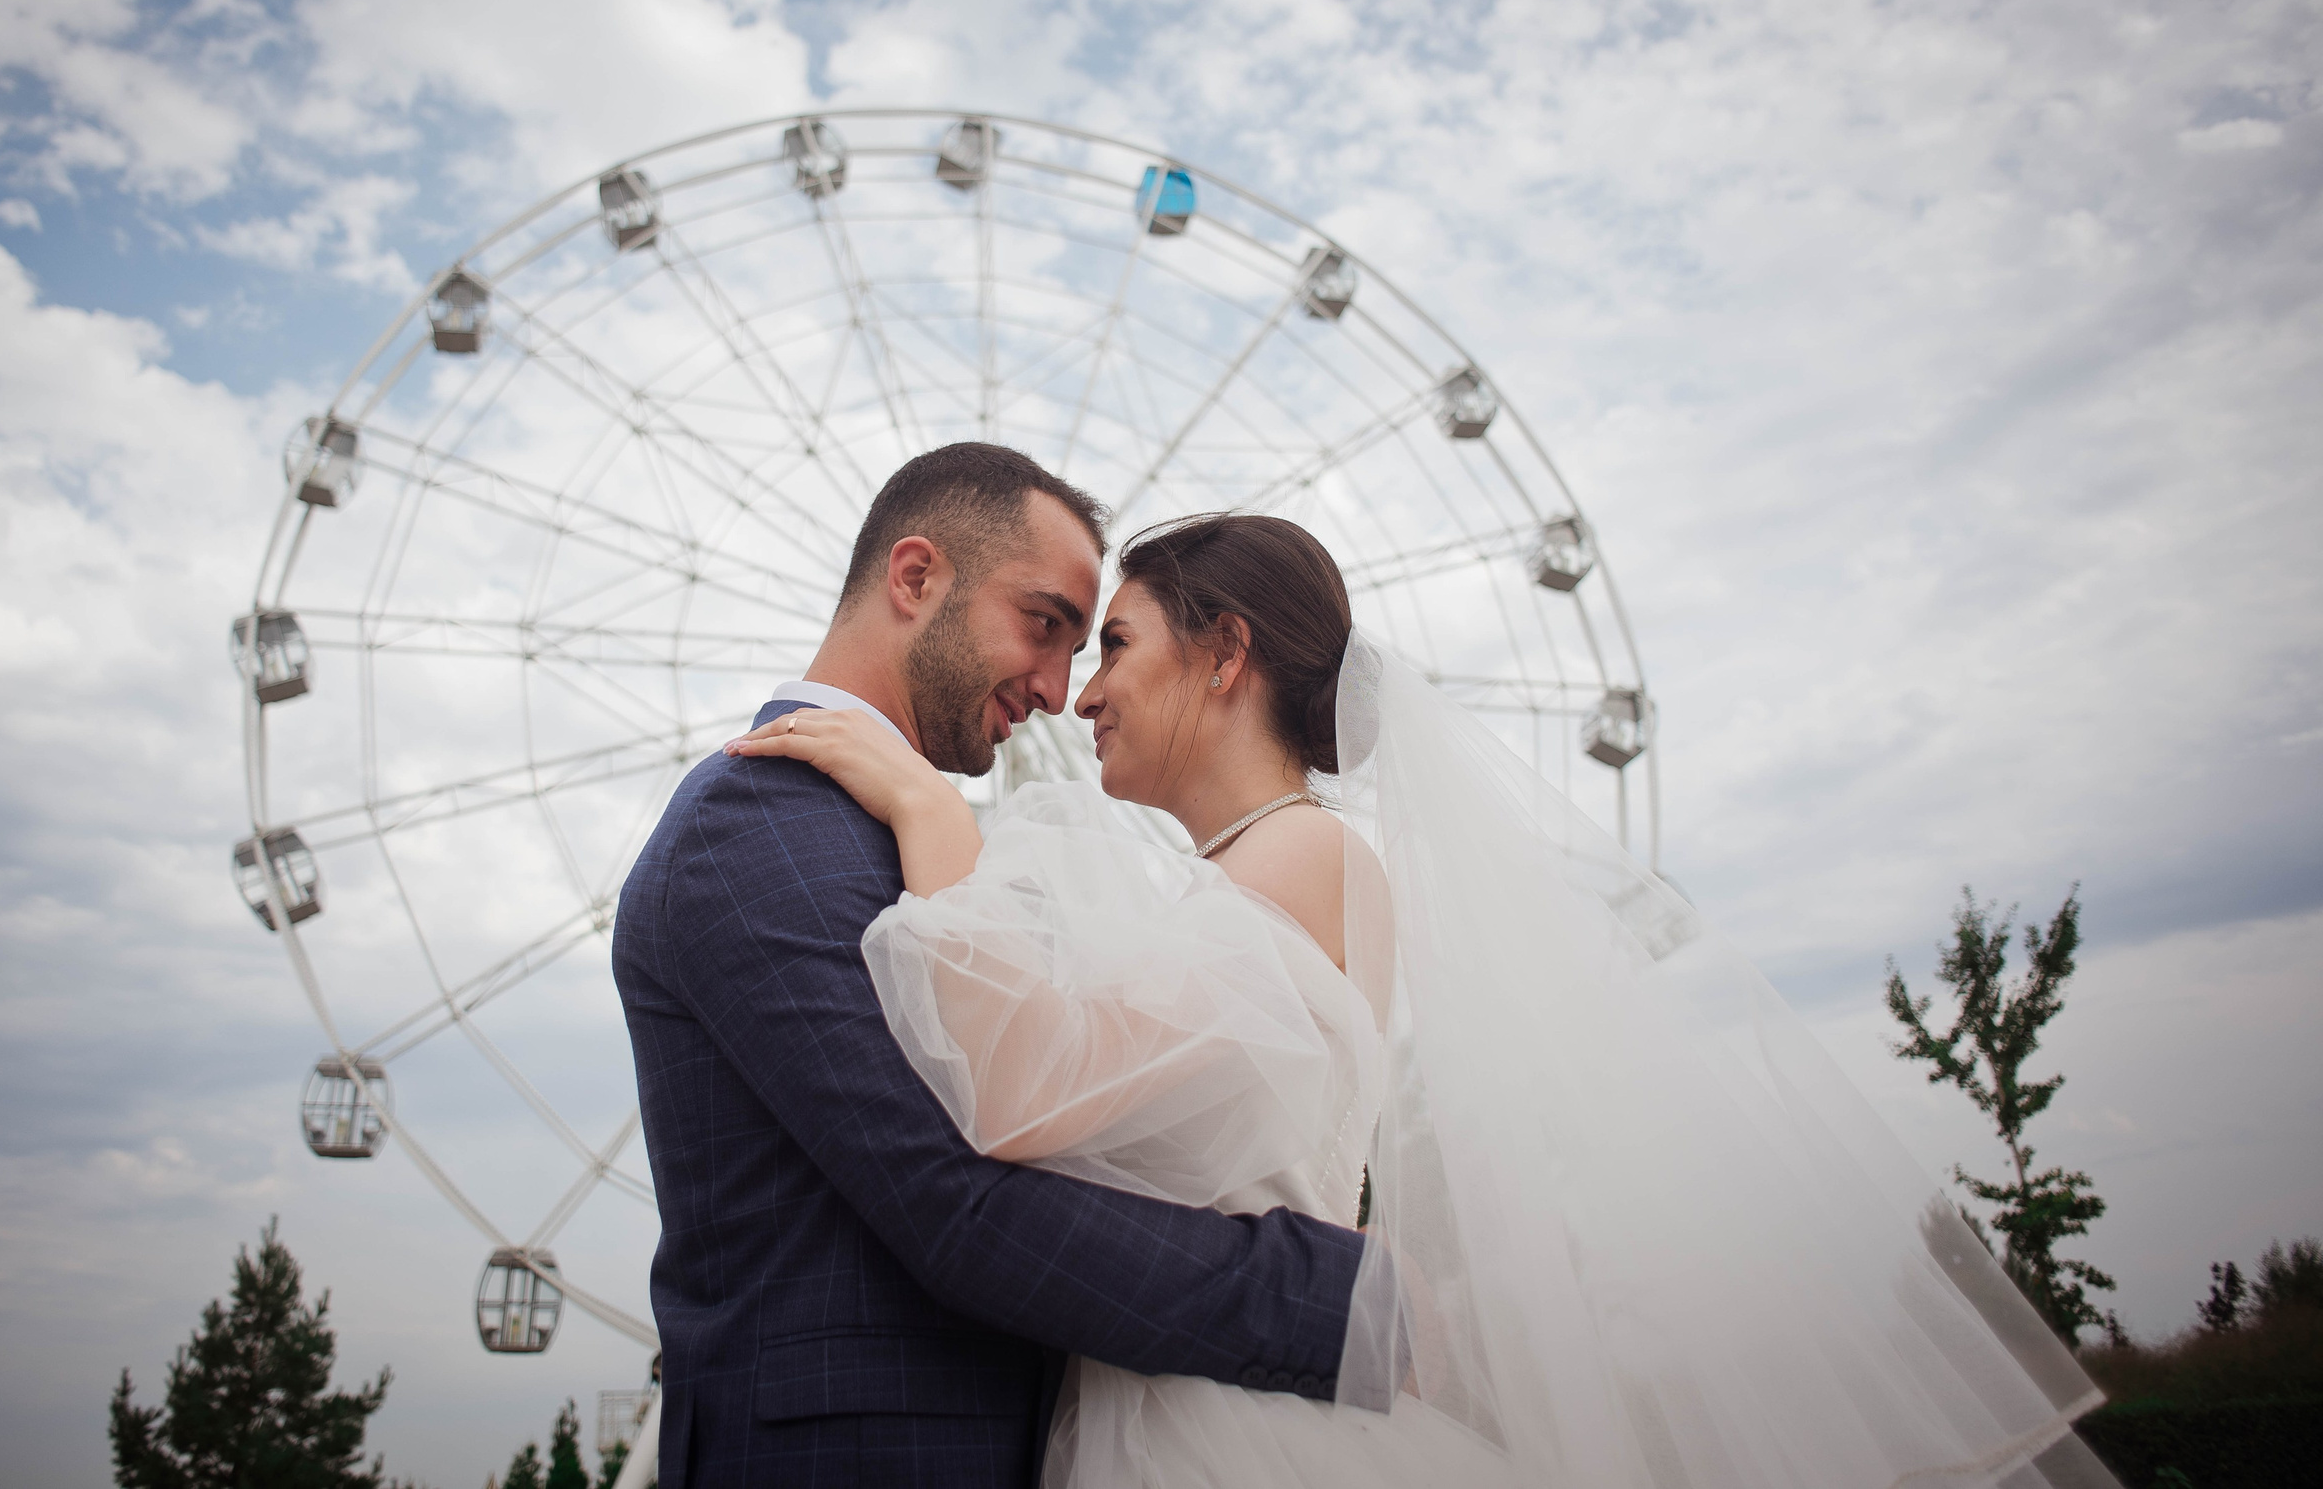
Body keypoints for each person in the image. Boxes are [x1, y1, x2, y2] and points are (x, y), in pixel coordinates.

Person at [732, 511, 2125, 1489]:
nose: (1083, 692)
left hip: (1220, 1432)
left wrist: (931, 819)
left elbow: (1022, 1089)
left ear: (1225, 656)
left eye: (1121, 645)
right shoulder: (1250, 870)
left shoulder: (1307, 855)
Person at [613, 446, 1369, 1489]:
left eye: (1097, 645)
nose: (1064, 692)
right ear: (916, 578)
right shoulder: (756, 826)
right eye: (1049, 625)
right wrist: (1352, 1303)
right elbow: (955, 1202)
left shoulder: (918, 840)